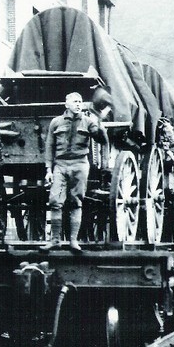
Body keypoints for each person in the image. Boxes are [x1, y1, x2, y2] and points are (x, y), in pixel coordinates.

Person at [41, 92, 108, 254]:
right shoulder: (56, 123)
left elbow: (101, 139)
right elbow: (49, 147)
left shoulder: (88, 122)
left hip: (80, 165)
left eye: (80, 101)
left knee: (76, 201)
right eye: (75, 102)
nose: (78, 104)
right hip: (60, 165)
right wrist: (48, 170)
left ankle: (73, 241)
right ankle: (55, 241)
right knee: (55, 200)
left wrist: (99, 122)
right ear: (66, 104)